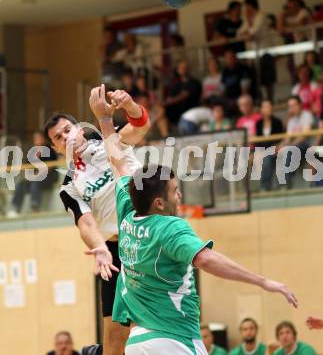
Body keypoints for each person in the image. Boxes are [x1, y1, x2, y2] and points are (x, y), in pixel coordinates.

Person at [88, 87, 298, 355]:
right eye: (174, 190)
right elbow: (207, 260)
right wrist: (263, 282)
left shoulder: (127, 210)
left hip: (138, 342)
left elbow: (117, 161)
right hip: (175, 340)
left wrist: (104, 120)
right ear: (159, 202)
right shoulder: (169, 228)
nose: (180, 195)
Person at [43, 87, 150, 355]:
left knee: (153, 325)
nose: (65, 138)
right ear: (55, 148)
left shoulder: (108, 142)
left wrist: (130, 105)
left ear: (80, 129)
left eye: (67, 130)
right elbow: (86, 223)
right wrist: (100, 247)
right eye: (58, 138)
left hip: (147, 235)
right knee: (114, 338)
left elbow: (139, 126)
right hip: (114, 250)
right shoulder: (69, 186)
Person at [7, 131, 58, 217]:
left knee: (36, 181)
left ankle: (35, 207)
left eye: (38, 138)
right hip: (35, 178)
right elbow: (27, 166)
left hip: (49, 177)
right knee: (21, 184)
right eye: (35, 138)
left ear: (43, 139)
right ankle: (15, 208)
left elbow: (50, 166)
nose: (37, 140)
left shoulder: (49, 149)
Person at [277, 96, 314, 188]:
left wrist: (289, 145)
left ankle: (285, 184)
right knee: (278, 151)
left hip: (308, 145)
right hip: (295, 146)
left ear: (300, 105)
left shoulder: (307, 115)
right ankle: (273, 186)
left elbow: (304, 136)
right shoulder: (291, 120)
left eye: (294, 105)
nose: (292, 108)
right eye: (290, 106)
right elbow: (288, 138)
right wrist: (280, 146)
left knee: (289, 150)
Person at [255, 100, 284, 190]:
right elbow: (258, 140)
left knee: (266, 158)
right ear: (262, 109)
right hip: (262, 149)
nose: (269, 109)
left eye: (270, 106)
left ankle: (265, 186)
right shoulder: (258, 123)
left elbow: (280, 139)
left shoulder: (277, 122)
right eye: (266, 107)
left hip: (274, 148)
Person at [165, 60, 202, 126]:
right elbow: (169, 97)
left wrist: (165, 103)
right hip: (176, 111)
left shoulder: (194, 82)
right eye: (180, 67)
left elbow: (183, 96)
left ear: (188, 69)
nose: (182, 69)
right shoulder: (175, 83)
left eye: (184, 67)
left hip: (190, 109)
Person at [221, 49, 255, 116]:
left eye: (231, 57)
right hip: (229, 99)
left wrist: (240, 101)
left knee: (240, 103)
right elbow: (223, 88)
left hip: (241, 97)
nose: (229, 59)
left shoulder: (243, 69)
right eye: (227, 58)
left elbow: (245, 89)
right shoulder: (225, 71)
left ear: (235, 58)